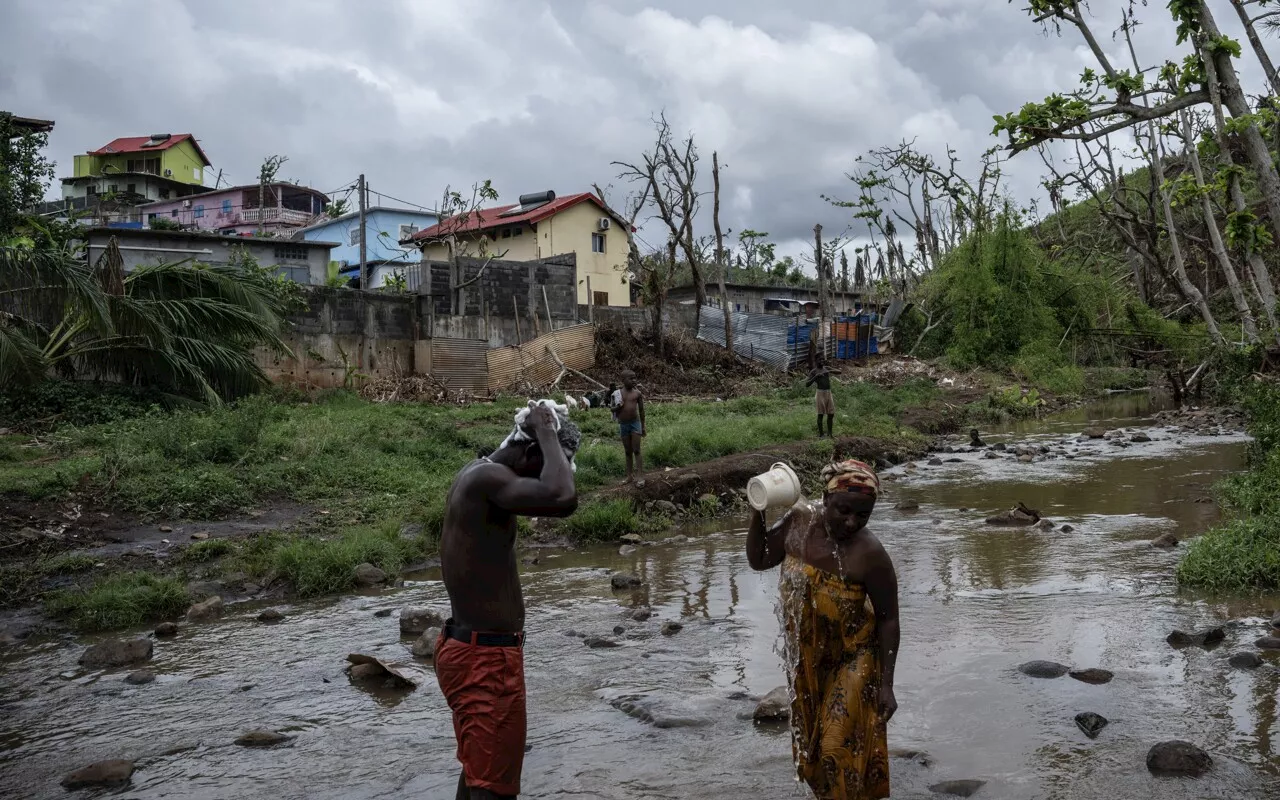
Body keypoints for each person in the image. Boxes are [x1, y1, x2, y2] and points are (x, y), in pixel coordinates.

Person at [436, 400, 580, 800]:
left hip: (473, 651)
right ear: (532, 450)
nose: (546, 477)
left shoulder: (479, 475)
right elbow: (562, 496)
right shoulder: (487, 481)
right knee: (494, 789)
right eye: (549, 463)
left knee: (480, 775)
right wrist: (547, 430)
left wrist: (547, 444)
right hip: (485, 661)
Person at [745, 459, 899, 800]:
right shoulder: (799, 523)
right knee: (813, 754)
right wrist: (758, 509)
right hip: (809, 658)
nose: (851, 522)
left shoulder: (871, 555)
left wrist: (886, 684)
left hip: (855, 657)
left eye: (862, 515)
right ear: (825, 500)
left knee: (834, 748)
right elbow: (759, 558)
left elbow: (888, 619)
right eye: (844, 510)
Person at [615, 371, 646, 482]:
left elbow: (642, 411)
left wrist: (643, 426)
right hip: (624, 425)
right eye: (631, 379)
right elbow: (612, 409)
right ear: (623, 381)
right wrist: (618, 407)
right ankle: (629, 476)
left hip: (635, 423)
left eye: (635, 378)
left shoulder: (637, 394)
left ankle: (640, 476)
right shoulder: (617, 394)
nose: (634, 381)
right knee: (628, 451)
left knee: (636, 450)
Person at [806, 358, 836, 438]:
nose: (822, 361)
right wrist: (816, 377)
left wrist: (830, 370)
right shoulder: (814, 371)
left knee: (831, 413)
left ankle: (830, 433)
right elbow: (807, 384)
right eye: (820, 360)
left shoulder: (826, 369)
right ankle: (821, 434)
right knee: (820, 414)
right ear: (816, 361)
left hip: (828, 392)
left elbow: (839, 372)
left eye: (823, 360)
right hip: (820, 393)